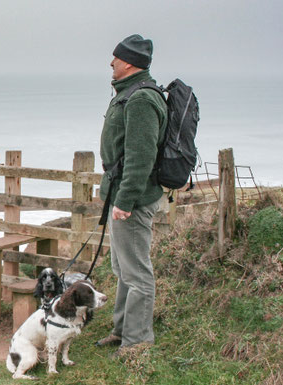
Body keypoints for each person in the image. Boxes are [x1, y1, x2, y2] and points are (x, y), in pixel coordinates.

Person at [95, 34, 168, 353]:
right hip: (122, 194)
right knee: (123, 268)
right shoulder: (130, 93)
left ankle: (137, 342)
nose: (111, 62)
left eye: (116, 58)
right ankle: (123, 329)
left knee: (136, 272)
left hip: (133, 200)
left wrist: (124, 201)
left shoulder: (140, 100)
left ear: (128, 63)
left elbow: (141, 157)